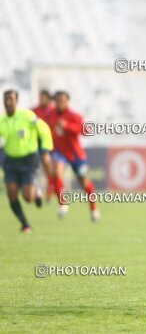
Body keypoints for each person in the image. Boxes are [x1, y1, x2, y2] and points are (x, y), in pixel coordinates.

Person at [0, 90, 53, 233]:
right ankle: (25, 224)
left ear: (16, 101)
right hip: (10, 161)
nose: (8, 102)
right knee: (11, 193)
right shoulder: (2, 120)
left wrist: (46, 149)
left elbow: (44, 129)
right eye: (6, 99)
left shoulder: (27, 116)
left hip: (28, 159)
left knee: (27, 197)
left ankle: (36, 192)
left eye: (11, 99)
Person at [46, 91, 99, 221]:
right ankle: (62, 203)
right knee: (57, 172)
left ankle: (94, 209)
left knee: (84, 181)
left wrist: (68, 126)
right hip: (60, 152)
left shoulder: (74, 115)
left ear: (67, 102)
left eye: (62, 101)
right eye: (57, 101)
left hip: (75, 154)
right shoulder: (51, 114)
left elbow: (85, 131)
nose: (59, 104)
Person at [33, 89, 56, 202]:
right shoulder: (34, 111)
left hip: (49, 142)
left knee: (48, 167)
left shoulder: (53, 111)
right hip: (35, 142)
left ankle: (49, 190)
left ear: (48, 99)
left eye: (43, 97)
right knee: (35, 167)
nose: (41, 99)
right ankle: (38, 191)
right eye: (40, 97)